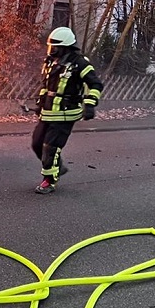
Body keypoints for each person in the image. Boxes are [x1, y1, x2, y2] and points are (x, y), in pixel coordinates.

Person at [31, 26, 103, 194]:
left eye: (55, 47)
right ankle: (57, 165)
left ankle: (49, 181)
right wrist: (40, 104)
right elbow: (46, 86)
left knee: (51, 148)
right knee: (37, 144)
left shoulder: (80, 63)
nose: (51, 51)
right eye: (50, 47)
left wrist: (90, 104)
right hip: (48, 113)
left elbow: (96, 84)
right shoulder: (50, 62)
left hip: (65, 114)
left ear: (65, 47)